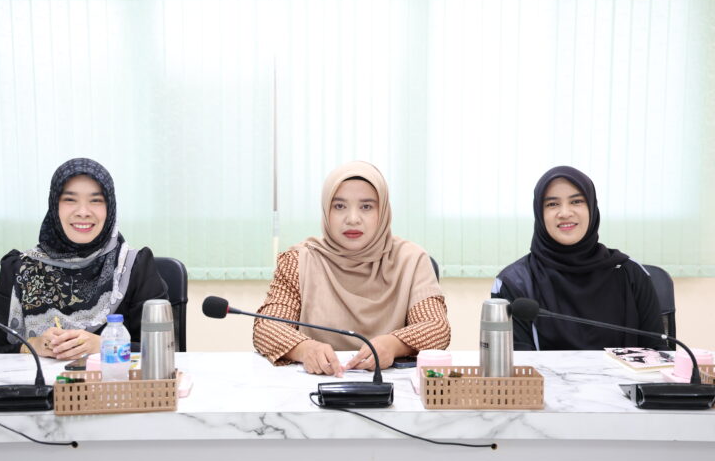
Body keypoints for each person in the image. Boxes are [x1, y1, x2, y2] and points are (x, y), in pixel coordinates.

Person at [253, 161, 450, 375]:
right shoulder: (298, 261)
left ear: (383, 211)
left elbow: (436, 327)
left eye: (366, 207)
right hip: (317, 382)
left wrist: (394, 345)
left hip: (390, 383)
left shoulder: (411, 260)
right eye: (339, 206)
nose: (353, 219)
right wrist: (304, 349)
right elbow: (267, 327)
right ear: (326, 210)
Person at [0, 158, 168, 358]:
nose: (83, 212)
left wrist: (105, 345)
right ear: (54, 205)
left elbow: (167, 348)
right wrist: (31, 345)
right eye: (70, 200)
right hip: (39, 378)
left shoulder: (133, 266)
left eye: (96, 200)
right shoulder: (19, 269)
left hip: (113, 378)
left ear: (110, 207)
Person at [492, 165, 664, 350]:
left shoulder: (630, 274)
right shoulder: (514, 282)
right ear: (539, 213)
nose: (565, 213)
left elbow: (658, 353)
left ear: (591, 207)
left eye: (576, 201)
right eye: (552, 204)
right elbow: (516, 363)